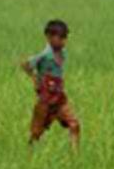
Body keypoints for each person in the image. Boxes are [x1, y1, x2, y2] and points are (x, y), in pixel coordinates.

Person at [21, 19, 80, 151]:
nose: (63, 41)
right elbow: (26, 65)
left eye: (64, 38)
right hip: (45, 100)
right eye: (59, 37)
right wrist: (35, 79)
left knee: (74, 124)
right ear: (48, 37)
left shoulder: (62, 53)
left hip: (59, 98)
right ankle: (29, 153)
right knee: (37, 132)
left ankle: (76, 155)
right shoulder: (45, 55)